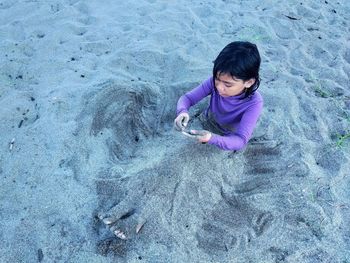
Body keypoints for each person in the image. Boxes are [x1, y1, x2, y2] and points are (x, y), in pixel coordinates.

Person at [174, 41, 263, 151]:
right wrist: (182, 112)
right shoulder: (213, 83)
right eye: (217, 79)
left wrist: (212, 138)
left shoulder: (254, 103)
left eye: (228, 84)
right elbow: (187, 98)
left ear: (249, 82)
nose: (219, 87)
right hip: (208, 120)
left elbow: (240, 140)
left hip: (228, 136)